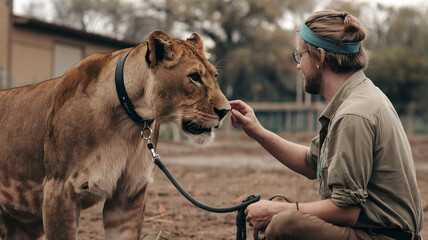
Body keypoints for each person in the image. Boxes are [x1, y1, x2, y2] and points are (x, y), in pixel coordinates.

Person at [230, 10, 423, 240]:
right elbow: (312, 163)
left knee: (285, 223)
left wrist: (280, 212)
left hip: (381, 235)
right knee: (279, 209)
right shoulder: (356, 97)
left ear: (319, 57)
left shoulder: (353, 114)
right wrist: (257, 131)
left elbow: (347, 210)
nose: (298, 66)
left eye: (300, 56)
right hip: (370, 230)